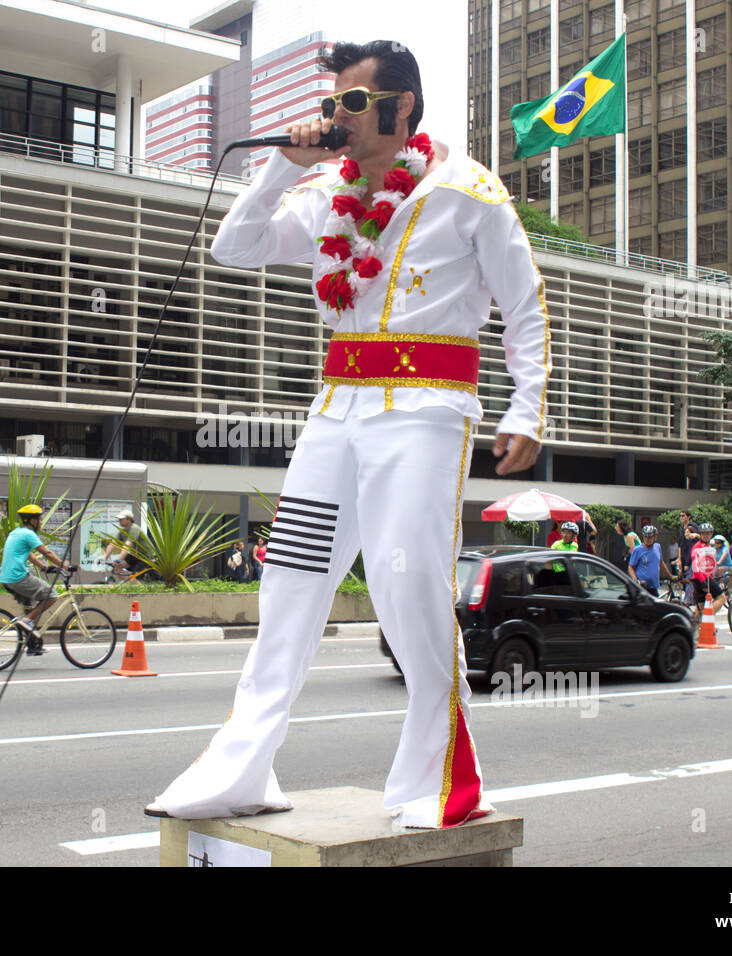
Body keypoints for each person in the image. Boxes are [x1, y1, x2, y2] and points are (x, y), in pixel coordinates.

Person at [146, 39, 550, 829]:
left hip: (426, 411)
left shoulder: (470, 190)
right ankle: (243, 766)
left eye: (353, 104)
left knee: (407, 589)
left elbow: (524, 304)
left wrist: (527, 408)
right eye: (332, 103)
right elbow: (235, 246)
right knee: (290, 582)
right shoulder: (328, 194)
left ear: (401, 109)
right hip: (336, 412)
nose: (336, 117)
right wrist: (280, 169)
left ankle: (440, 782)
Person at [0, 504, 74, 645]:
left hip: (6, 579)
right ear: (32, 521)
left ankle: (32, 643)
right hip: (18, 578)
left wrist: (44, 567)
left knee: (32, 608)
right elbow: (47, 553)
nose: (40, 522)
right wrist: (65, 566)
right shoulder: (29, 534)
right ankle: (26, 621)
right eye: (39, 519)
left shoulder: (15, 532)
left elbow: (29, 554)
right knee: (51, 596)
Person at [627, 525, 673, 597]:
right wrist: (636, 581)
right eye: (645, 536)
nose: (647, 539)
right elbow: (631, 567)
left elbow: (661, 562)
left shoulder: (657, 547)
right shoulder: (637, 550)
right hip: (642, 587)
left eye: (650, 537)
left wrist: (670, 576)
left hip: (653, 587)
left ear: (655, 537)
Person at [101, 510, 141, 580]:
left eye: (121, 519)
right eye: (119, 519)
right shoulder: (123, 531)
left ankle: (140, 588)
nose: (119, 520)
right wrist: (104, 558)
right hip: (134, 555)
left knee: (119, 565)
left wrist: (119, 560)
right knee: (117, 569)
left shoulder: (134, 528)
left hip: (144, 556)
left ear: (129, 519)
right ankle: (135, 586)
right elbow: (112, 545)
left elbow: (127, 546)